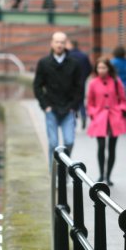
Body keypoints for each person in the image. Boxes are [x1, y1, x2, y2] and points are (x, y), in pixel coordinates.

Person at [33, 32, 82, 169]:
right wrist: (45, 106)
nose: (59, 45)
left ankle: (65, 170)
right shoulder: (44, 63)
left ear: (66, 44)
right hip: (51, 108)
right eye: (57, 42)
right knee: (53, 144)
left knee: (69, 142)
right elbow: (37, 85)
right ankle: (53, 173)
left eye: (62, 42)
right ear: (52, 43)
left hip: (68, 108)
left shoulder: (74, 64)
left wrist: (74, 106)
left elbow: (79, 87)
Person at [86, 57, 126, 186]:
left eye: (104, 67)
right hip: (99, 118)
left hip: (114, 117)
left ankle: (108, 176)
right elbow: (90, 102)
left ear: (109, 68)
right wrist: (93, 113)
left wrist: (121, 110)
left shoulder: (116, 81)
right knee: (101, 146)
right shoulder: (93, 83)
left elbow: (123, 99)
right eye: (99, 67)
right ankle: (101, 174)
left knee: (112, 148)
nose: (101, 70)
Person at [66, 39, 92, 129]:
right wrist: (84, 77)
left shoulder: (68, 55)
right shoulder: (84, 56)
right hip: (81, 82)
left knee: (71, 102)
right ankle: (84, 116)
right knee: (80, 101)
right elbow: (90, 69)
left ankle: (73, 122)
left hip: (70, 83)